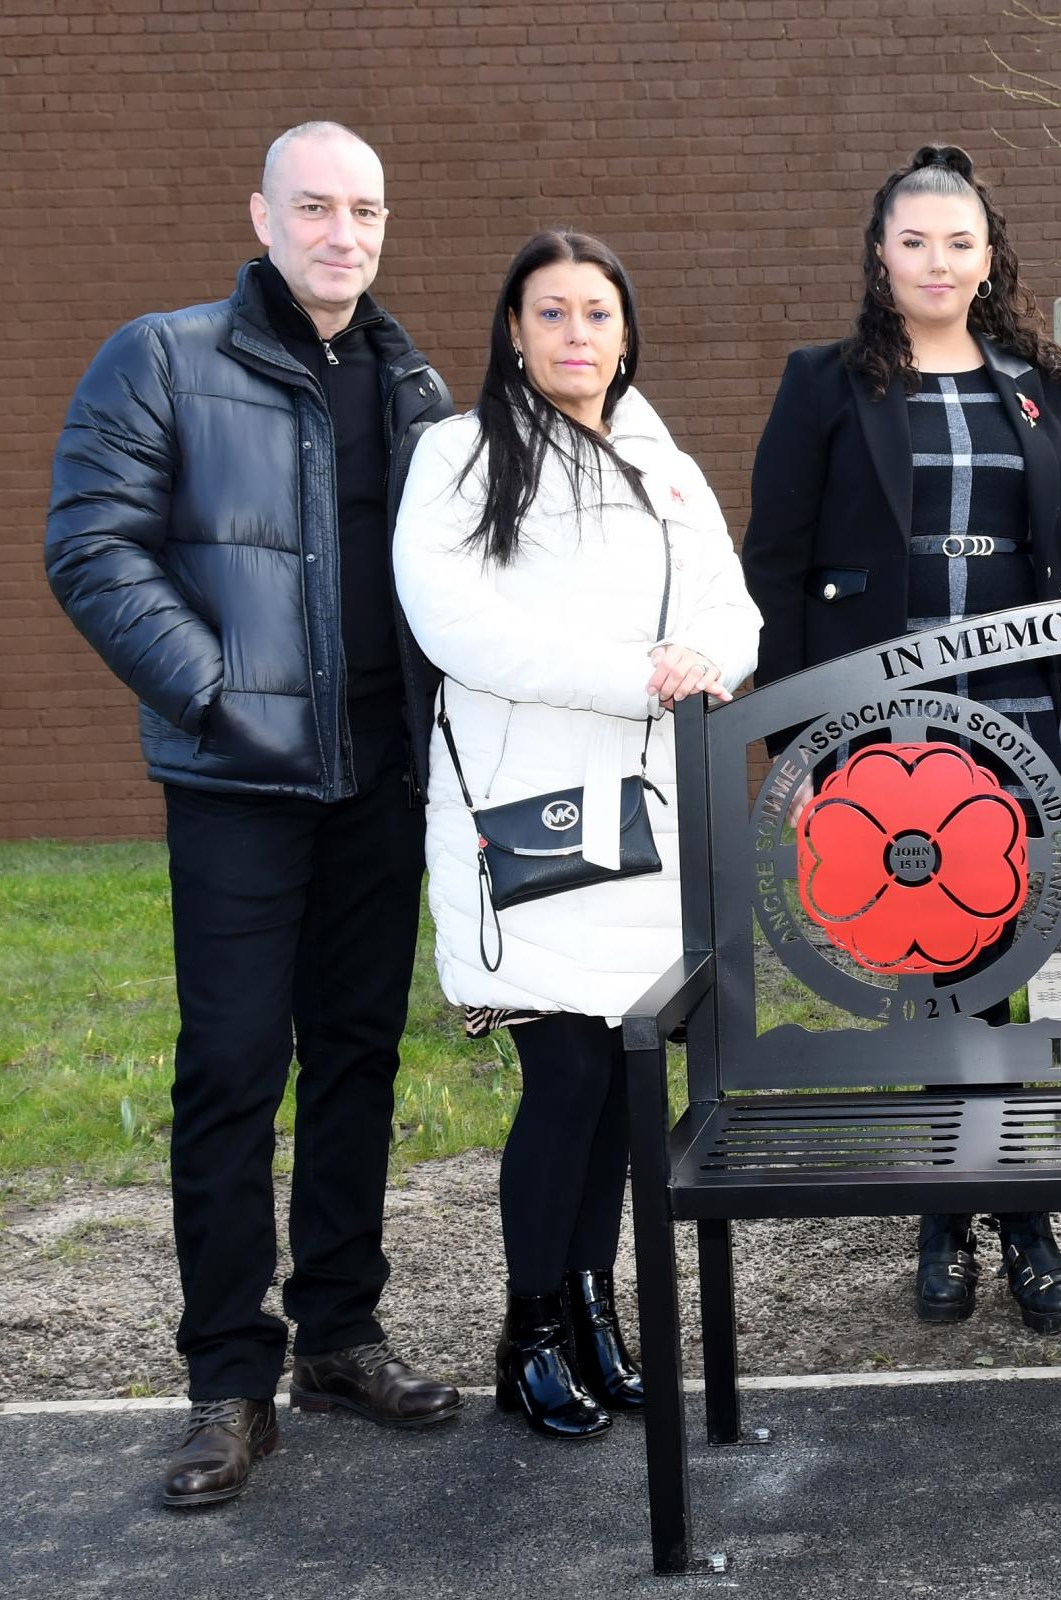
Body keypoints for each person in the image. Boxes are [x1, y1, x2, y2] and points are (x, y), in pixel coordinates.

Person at [44, 122, 461, 1509]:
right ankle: (229, 1376)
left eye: (368, 210)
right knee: (231, 1070)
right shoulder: (162, 358)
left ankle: (339, 1336)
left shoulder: (413, 385)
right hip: (236, 782)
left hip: (376, 781)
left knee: (358, 1056)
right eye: (318, 207)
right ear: (263, 215)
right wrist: (220, 694)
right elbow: (90, 545)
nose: (345, 233)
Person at [392, 230, 760, 1438]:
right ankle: (532, 1324)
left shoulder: (663, 464)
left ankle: (597, 1305)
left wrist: (705, 660)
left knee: (618, 1081)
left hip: (642, 815)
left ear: (625, 331)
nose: (575, 336)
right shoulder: (459, 454)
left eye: (596, 314)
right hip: (526, 814)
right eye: (551, 314)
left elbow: (729, 607)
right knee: (562, 1076)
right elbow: (456, 622)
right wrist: (631, 673)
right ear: (512, 329)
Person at [739, 146, 1061, 1336]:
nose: (937, 261)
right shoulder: (825, 382)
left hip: (1015, 709)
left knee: (1012, 952)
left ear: (989, 257)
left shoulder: (1036, 382)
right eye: (914, 241)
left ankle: (1008, 1211)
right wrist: (794, 747)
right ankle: (966, 1212)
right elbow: (775, 562)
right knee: (929, 955)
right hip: (880, 719)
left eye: (959, 242)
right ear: (879, 254)